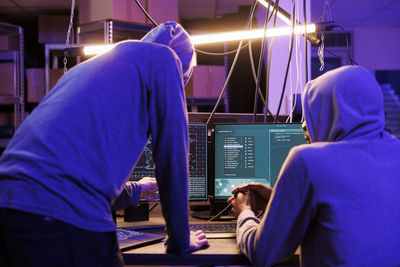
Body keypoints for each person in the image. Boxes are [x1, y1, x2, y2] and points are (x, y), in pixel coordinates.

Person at [0, 21, 208, 267]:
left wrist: (138, 190)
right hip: (60, 218)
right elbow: (172, 157)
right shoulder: (167, 59)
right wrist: (180, 241)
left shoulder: (92, 67)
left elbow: (70, 167)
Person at [228, 65, 400, 266]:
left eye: (313, 110)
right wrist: (280, 202)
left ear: (333, 111)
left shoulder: (308, 160)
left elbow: (264, 253)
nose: (303, 126)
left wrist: (245, 212)